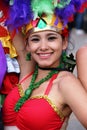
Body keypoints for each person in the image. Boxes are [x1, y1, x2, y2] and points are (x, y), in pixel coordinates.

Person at [2, 0, 87, 130]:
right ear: (28, 45)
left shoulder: (65, 83)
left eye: (51, 38)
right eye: (35, 39)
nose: (43, 47)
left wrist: (82, 56)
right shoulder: (28, 72)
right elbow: (10, 12)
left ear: (64, 42)